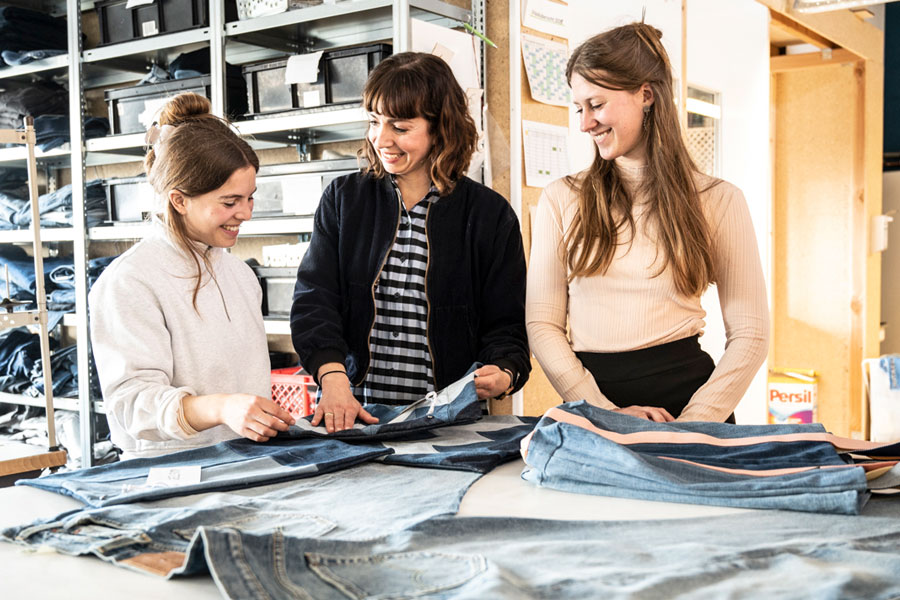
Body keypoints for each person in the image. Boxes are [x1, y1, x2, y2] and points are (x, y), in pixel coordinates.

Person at [526, 23, 769, 423]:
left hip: (691, 412)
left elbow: (751, 333)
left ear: (646, 95)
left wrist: (694, 423)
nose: (585, 123)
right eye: (578, 108)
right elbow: (542, 325)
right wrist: (606, 415)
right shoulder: (561, 198)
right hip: (593, 412)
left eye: (597, 104)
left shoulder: (719, 200)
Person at [291, 52, 530, 433]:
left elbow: (508, 326)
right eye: (374, 122)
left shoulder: (489, 215)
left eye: (400, 127)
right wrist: (332, 377)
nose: (381, 139)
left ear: (442, 128)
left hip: (448, 423)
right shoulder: (343, 199)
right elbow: (314, 301)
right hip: (353, 415)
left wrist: (504, 370)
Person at [89, 92, 294, 459]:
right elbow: (132, 404)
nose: (245, 214)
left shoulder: (239, 275)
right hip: (171, 474)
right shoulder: (130, 281)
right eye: (230, 202)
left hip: (249, 461)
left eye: (250, 197)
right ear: (179, 200)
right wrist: (221, 408)